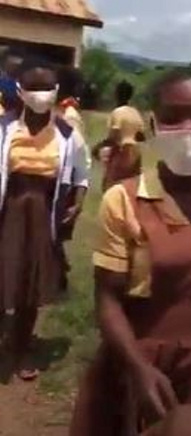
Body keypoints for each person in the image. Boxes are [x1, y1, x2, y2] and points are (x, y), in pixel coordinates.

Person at [70, 67, 191, 436]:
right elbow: (107, 298)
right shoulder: (122, 199)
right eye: (172, 117)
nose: (188, 129)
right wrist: (138, 368)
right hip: (135, 357)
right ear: (153, 124)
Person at [0, 57, 89, 380]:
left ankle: (22, 347)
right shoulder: (4, 127)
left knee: (30, 283)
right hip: (8, 209)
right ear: (20, 91)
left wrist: (76, 205)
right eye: (33, 87)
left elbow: (82, 174)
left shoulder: (68, 133)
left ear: (56, 90)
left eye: (47, 87)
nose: (41, 93)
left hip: (42, 212)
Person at [56, 66, 91, 291]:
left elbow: (82, 162)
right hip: (60, 184)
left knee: (52, 235)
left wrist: (78, 201)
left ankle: (59, 277)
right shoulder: (62, 113)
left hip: (64, 186)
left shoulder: (69, 117)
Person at [92, 80, 145, 191]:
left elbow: (114, 137)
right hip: (135, 153)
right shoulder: (135, 113)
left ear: (116, 94)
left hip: (121, 151)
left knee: (110, 187)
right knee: (131, 187)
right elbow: (141, 136)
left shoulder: (117, 112)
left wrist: (98, 147)